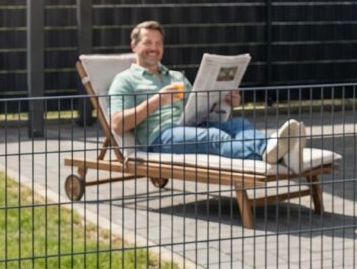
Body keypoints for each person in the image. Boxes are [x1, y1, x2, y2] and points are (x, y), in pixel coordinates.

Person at [109, 20, 305, 172]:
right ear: (134, 46)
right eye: (148, 42)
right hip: (160, 137)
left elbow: (195, 106)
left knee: (240, 124)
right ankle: (279, 154)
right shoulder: (124, 80)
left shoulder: (176, 76)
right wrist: (155, 101)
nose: (154, 48)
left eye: (158, 43)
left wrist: (227, 101)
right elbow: (117, 124)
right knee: (215, 137)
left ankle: (272, 149)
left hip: (191, 126)